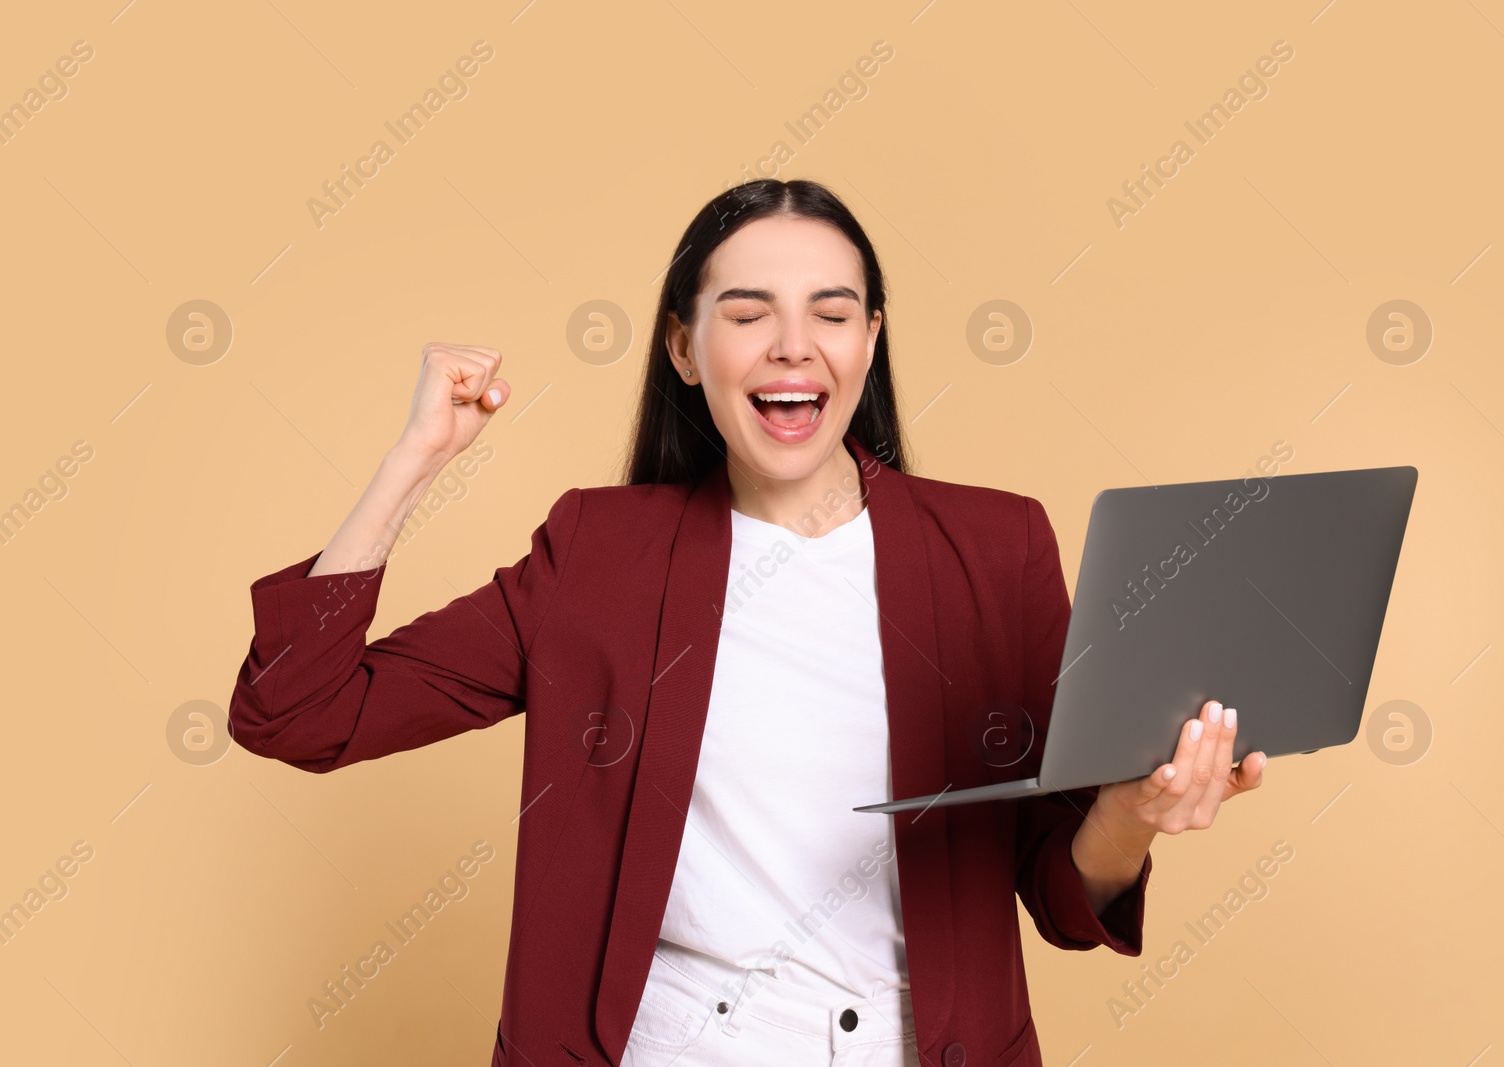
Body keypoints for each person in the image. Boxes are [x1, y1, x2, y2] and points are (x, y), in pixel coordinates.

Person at [228, 178, 1267, 1067]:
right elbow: (298, 711)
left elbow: (1059, 886)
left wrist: (1136, 809)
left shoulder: (994, 548)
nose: (790, 346)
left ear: (869, 340)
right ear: (684, 347)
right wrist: (414, 461)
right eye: (745, 311)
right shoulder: (598, 553)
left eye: (829, 310)